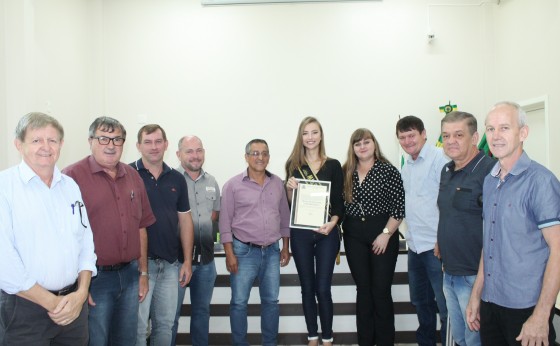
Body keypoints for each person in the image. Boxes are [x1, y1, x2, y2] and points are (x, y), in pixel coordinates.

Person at [467, 101, 560, 345]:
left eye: (504, 128)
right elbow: (490, 242)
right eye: (490, 129)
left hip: (526, 307)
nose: (495, 136)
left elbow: (558, 251)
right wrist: (476, 294)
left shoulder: (541, 182)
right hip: (491, 302)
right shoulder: (489, 181)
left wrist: (541, 315)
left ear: (523, 133)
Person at [0, 112, 97, 345]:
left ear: (61, 145)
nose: (46, 147)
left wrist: (81, 293)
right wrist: (54, 304)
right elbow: (5, 261)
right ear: (18, 145)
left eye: (52, 140)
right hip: (25, 311)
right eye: (36, 140)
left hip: (74, 306)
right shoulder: (5, 187)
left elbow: (86, 242)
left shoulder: (70, 186)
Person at [63, 116, 156, 346]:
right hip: (96, 279)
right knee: (97, 340)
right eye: (104, 138)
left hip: (130, 276)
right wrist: (81, 285)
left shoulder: (133, 176)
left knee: (126, 339)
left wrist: (143, 274)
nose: (111, 145)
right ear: (91, 141)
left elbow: (141, 227)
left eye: (117, 139)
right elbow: (66, 235)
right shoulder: (71, 177)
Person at [219, 139, 291, 346]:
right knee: (239, 303)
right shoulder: (232, 185)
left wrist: (285, 247)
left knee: (271, 302)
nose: (260, 157)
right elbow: (225, 222)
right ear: (246, 157)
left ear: (269, 157)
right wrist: (230, 254)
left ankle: (270, 343)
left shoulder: (277, 183)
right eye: (255, 153)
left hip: (271, 252)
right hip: (243, 252)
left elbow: (284, 217)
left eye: (265, 153)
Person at [131, 124, 194, 346]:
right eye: (147, 142)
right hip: (139, 267)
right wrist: (142, 269)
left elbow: (185, 221)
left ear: (166, 145)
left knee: (165, 326)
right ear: (138, 146)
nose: (154, 147)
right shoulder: (128, 174)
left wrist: (186, 261)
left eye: (158, 142)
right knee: (137, 328)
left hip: (170, 265)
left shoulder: (177, 178)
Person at [342, 128, 405, 346]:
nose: (362, 146)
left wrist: (386, 234)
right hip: (353, 236)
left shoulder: (388, 171)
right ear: (353, 148)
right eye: (357, 143)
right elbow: (335, 205)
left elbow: (399, 208)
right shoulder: (345, 172)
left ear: (374, 144)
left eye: (366, 142)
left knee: (380, 291)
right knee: (364, 291)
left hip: (383, 232)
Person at [284, 117, 344, 346]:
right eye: (305, 133)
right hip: (301, 234)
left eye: (314, 132)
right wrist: (289, 190)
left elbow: (339, 202)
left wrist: (333, 223)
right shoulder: (293, 165)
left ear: (321, 135)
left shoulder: (334, 165)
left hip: (327, 233)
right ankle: (312, 336)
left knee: (323, 288)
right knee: (307, 287)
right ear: (301, 137)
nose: (310, 137)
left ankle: (327, 338)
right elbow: (291, 204)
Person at [437, 111, 495, 346]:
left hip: (475, 277)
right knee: (460, 339)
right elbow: (449, 213)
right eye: (446, 135)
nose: (451, 141)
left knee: (476, 341)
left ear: (475, 137)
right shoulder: (446, 170)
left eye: (459, 135)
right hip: (449, 272)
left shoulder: (491, 172)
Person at [396, 115, 448, 346]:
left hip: (436, 247)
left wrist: (443, 240)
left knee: (446, 306)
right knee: (421, 303)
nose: (407, 141)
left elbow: (448, 203)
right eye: (402, 137)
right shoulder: (407, 166)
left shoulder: (440, 159)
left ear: (424, 134)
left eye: (412, 135)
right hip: (415, 247)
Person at [173, 135, 221, 346]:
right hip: (176, 263)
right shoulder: (171, 180)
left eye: (198, 150)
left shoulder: (212, 182)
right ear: (178, 154)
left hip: (206, 263)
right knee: (170, 316)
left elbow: (215, 216)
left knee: (202, 313)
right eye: (189, 151)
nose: (195, 155)